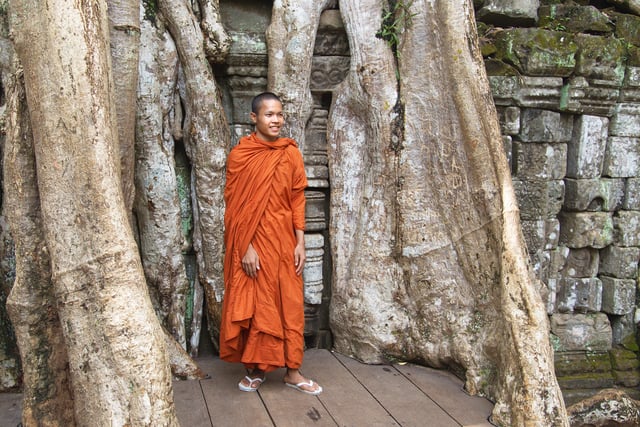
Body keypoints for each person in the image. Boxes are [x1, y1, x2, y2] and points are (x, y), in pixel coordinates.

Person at [219, 92, 323, 395]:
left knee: (289, 304)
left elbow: (296, 199)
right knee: (257, 305)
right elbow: (235, 208)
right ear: (254, 118)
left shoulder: (290, 153)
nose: (276, 120)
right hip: (253, 243)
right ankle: (256, 368)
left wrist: (300, 241)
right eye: (269, 115)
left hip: (284, 241)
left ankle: (293, 371)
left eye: (279, 114)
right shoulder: (241, 155)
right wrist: (245, 247)